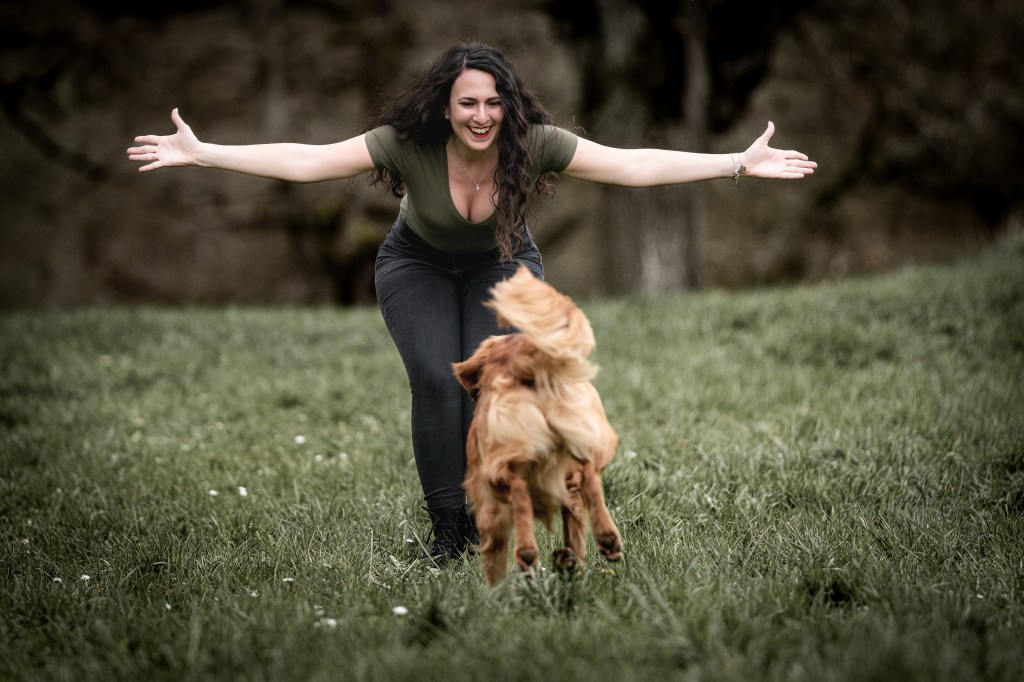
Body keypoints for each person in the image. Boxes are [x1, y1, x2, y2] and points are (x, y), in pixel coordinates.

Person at [127, 42, 816, 566]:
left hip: (504, 265)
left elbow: (631, 164)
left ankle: (500, 506)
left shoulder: (534, 144)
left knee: (494, 387)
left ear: (507, 106)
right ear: (445, 108)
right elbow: (309, 161)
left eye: (492, 103)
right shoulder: (407, 144)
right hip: (415, 266)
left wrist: (736, 163)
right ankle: (450, 536)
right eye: (467, 104)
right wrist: (205, 153)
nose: (481, 116)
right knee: (438, 379)